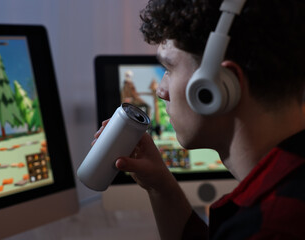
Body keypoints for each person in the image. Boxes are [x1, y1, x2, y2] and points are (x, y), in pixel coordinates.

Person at [94, 0, 305, 239]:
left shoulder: (268, 227)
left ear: (216, 86)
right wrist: (160, 185)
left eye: (170, 68)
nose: (161, 90)